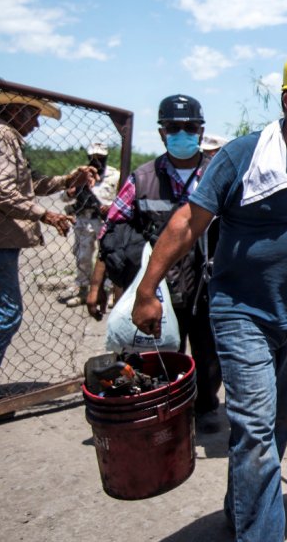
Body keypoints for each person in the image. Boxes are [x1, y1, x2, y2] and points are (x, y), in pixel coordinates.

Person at [130, 50, 287, 541]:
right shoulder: (243, 157)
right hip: (241, 312)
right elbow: (187, 223)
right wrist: (148, 288)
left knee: (278, 425)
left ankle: (242, 512)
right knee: (256, 430)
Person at [88, 94, 223, 432]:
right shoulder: (143, 178)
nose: (182, 133)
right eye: (174, 127)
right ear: (162, 133)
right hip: (160, 288)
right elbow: (112, 234)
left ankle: (206, 406)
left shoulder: (218, 175)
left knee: (209, 353)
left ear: (200, 131)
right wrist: (97, 286)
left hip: (210, 286)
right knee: (162, 353)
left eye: (189, 127)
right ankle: (168, 411)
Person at [0, 92, 96, 406]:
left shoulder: (3, 137)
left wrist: (69, 178)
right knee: (6, 314)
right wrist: (45, 214)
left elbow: (31, 184)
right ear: (14, 111)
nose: (37, 123)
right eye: (33, 115)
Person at [57, 143, 120, 307]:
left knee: (108, 257)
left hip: (105, 221)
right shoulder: (78, 174)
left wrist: (110, 209)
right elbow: (63, 197)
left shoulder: (115, 175)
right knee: (83, 256)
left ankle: (108, 292)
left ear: (106, 158)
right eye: (93, 158)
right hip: (84, 221)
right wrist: (69, 192)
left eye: (100, 158)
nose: (96, 161)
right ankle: (83, 291)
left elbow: (122, 199)